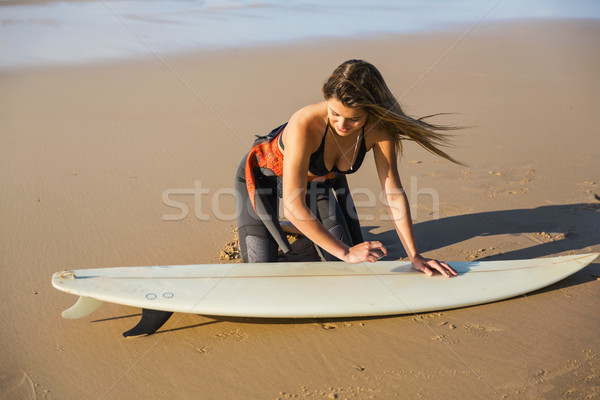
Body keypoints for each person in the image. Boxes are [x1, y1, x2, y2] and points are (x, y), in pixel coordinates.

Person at [235, 59, 458, 278]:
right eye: (335, 114)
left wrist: (415, 256)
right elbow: (293, 206)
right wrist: (347, 251)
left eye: (354, 119)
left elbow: (393, 193)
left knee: (344, 266)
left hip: (315, 186)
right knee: (261, 270)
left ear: (371, 111)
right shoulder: (305, 123)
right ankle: (281, 225)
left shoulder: (380, 132)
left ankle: (294, 227)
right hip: (263, 182)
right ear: (326, 98)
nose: (342, 125)